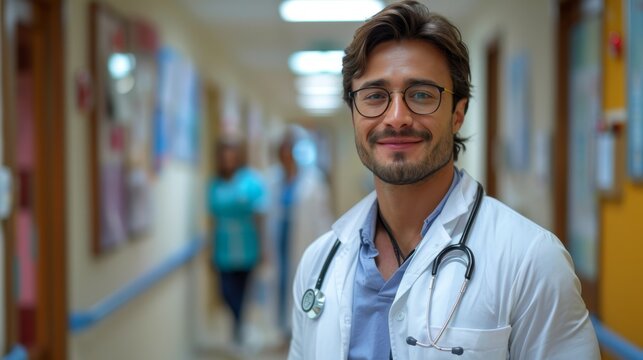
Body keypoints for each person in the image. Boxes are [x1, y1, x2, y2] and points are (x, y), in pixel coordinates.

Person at [288, 1, 600, 359]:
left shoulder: (532, 261)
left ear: (458, 114)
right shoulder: (318, 263)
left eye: (421, 94)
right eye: (375, 96)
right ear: (354, 114)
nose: (397, 117)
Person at [264, 125, 334, 340]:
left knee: (303, 284)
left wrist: (324, 251)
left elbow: (323, 218)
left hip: (305, 242)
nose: (285, 156)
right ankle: (284, 331)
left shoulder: (314, 181)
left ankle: (301, 333)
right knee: (281, 284)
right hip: (281, 241)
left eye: (289, 150)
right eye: (282, 151)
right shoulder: (273, 179)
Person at [208, 137, 267, 345]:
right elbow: (213, 218)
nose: (228, 159)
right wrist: (209, 249)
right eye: (225, 155)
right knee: (226, 292)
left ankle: (238, 328)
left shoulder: (250, 180)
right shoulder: (215, 183)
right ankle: (237, 323)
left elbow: (260, 215)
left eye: (232, 154)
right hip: (223, 247)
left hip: (247, 246)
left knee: (242, 293)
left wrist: (263, 247)